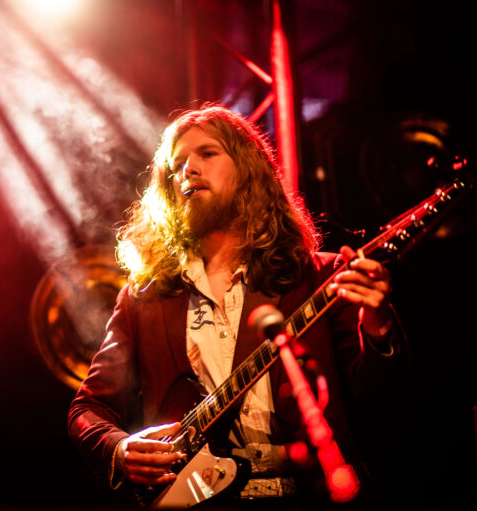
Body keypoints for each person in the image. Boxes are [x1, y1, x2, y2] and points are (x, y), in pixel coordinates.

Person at [68, 105, 407, 509]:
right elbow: (89, 408)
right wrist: (119, 449)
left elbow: (383, 396)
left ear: (247, 170)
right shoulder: (144, 298)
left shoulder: (320, 277)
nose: (188, 169)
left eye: (207, 153)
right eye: (177, 165)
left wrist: (377, 325)